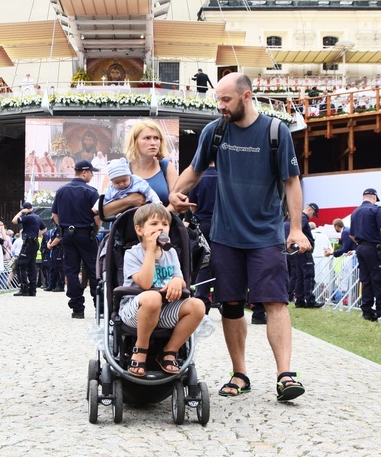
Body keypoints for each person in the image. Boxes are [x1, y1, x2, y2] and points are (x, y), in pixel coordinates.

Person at [169, 72, 310, 402]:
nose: (221, 106)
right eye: (218, 99)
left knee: (275, 301)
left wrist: (295, 227)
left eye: (226, 99)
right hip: (225, 236)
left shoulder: (276, 132)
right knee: (230, 305)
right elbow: (195, 169)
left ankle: (285, 374)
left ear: (247, 96)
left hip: (265, 235)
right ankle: (240, 373)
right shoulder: (215, 130)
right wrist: (175, 193)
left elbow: (291, 182)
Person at [119, 204, 206, 376]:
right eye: (154, 224)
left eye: (165, 224)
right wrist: (150, 251)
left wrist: (177, 281)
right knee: (152, 297)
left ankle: (169, 351)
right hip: (136, 312)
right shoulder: (132, 254)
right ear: (140, 230)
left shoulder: (171, 253)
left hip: (165, 310)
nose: (161, 228)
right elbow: (144, 284)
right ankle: (141, 348)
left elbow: (180, 278)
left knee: (197, 305)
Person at [52, 160, 101, 319]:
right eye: (91, 172)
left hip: (67, 235)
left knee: (71, 270)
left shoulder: (61, 191)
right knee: (94, 270)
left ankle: (77, 308)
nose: (92, 175)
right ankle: (99, 307)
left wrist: (64, 228)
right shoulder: (91, 191)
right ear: (85, 172)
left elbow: (54, 215)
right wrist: (96, 230)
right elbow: (98, 216)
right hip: (86, 234)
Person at [105, 120, 177, 214]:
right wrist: (128, 201)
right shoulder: (119, 168)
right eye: (147, 138)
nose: (153, 143)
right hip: (125, 226)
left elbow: (176, 203)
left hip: (159, 226)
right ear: (134, 141)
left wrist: (157, 217)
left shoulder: (166, 166)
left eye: (156, 138)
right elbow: (103, 210)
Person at [349, 188, 381, 322]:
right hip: (373, 247)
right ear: (374, 197)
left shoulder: (355, 212)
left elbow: (351, 234)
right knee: (379, 279)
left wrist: (360, 243)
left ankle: (367, 311)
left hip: (361, 247)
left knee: (366, 280)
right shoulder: (376, 210)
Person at [188, 162, 217, 314]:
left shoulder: (198, 178)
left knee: (203, 262)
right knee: (223, 262)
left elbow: (192, 205)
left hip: (202, 222)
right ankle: (222, 298)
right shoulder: (224, 176)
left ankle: (202, 301)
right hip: (222, 224)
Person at [11, 202, 46, 297]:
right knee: (32, 266)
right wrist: (37, 233)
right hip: (34, 243)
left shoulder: (28, 216)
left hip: (28, 243)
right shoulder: (37, 217)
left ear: (26, 209)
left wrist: (21, 212)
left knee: (20, 265)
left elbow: (14, 221)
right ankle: (32, 289)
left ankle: (24, 288)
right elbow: (44, 228)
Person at [292, 203, 323, 308]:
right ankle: (310, 300)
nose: (313, 216)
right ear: (310, 210)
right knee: (308, 275)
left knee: (300, 276)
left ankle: (299, 300)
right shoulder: (303, 218)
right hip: (304, 251)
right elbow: (299, 231)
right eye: (313, 214)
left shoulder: (298, 218)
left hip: (298, 251)